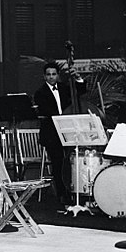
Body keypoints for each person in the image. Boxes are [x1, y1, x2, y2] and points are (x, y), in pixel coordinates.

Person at [33, 61, 86, 204]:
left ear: (58, 75)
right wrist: (61, 119)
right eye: (48, 75)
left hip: (68, 131)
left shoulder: (63, 88)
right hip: (51, 133)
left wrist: (78, 78)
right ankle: (63, 194)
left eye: (54, 74)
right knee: (58, 162)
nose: (51, 77)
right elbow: (47, 111)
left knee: (71, 160)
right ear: (44, 76)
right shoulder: (40, 93)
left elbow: (80, 91)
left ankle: (75, 190)